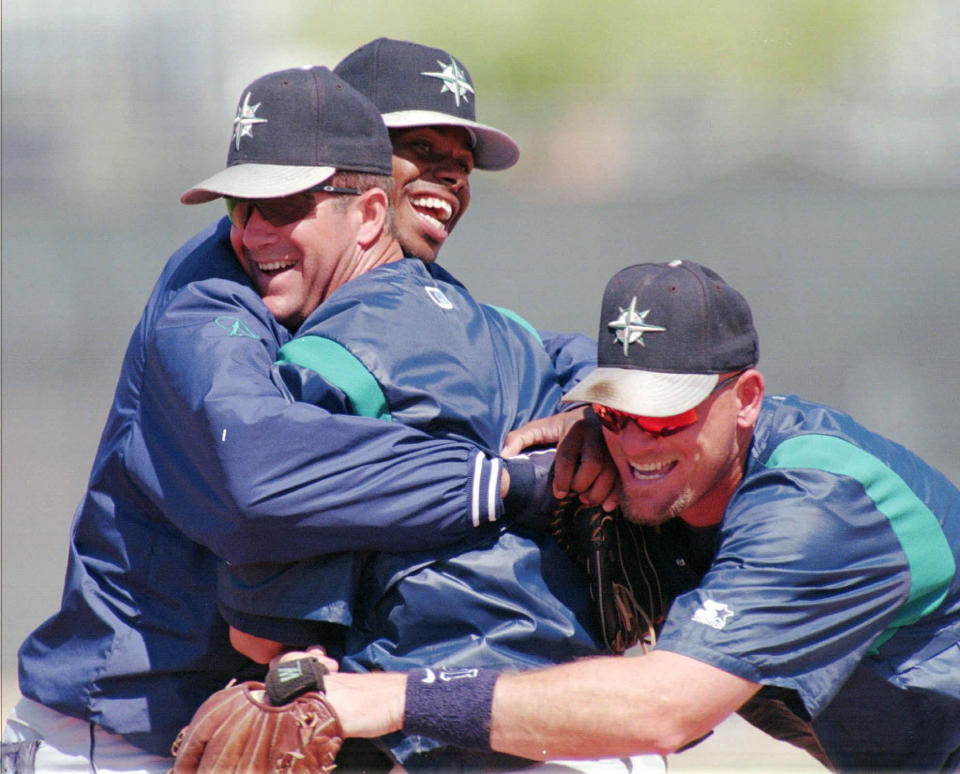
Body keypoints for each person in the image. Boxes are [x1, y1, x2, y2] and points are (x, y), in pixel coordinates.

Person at [0, 63, 589, 774]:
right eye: (417, 151)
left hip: (248, 720)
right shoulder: (210, 299)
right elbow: (262, 474)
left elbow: (543, 349)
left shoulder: (392, 307)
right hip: (120, 738)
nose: (446, 181)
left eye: (460, 164)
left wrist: (594, 404)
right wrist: (500, 482)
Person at [316, 260, 960, 773]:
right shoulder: (664, 477)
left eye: (666, 416)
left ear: (747, 398)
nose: (637, 445)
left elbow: (666, 709)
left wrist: (398, 698)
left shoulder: (819, 504)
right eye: (618, 411)